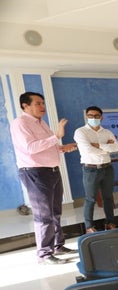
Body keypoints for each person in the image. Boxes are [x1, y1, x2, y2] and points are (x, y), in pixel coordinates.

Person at [10, 91, 78, 265]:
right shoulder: (20, 123)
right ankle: (44, 254)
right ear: (25, 106)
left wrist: (61, 148)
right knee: (43, 214)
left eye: (43, 103)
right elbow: (30, 148)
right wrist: (57, 136)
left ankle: (57, 245)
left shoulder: (41, 123)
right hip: (35, 172)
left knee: (55, 211)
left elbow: (45, 146)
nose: (42, 106)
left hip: (52, 171)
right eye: (38, 103)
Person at [73, 106, 118, 233]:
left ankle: (110, 223)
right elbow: (87, 150)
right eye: (90, 116)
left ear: (101, 117)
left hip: (107, 168)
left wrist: (99, 145)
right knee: (91, 199)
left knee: (108, 197)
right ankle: (89, 227)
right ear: (86, 117)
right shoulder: (80, 132)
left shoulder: (107, 132)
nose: (93, 118)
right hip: (91, 169)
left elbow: (116, 148)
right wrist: (106, 148)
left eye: (96, 116)